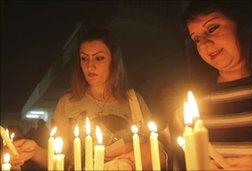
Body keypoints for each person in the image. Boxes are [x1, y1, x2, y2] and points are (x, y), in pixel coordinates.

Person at [9, 26, 168, 170]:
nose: (90, 66)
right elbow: (59, 159)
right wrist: (36, 152)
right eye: (84, 58)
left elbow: (157, 149)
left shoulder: (133, 100)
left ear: (113, 60)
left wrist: (131, 152)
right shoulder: (68, 102)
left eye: (99, 58)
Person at [171, 1, 252, 170]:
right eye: (196, 38)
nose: (203, 43)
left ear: (244, 24)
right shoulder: (195, 102)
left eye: (212, 28)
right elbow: (167, 149)